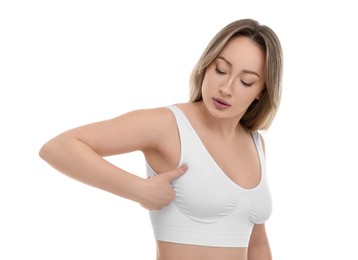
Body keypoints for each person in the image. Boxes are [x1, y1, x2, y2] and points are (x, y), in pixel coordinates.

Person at [39, 18, 283, 260]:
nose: (226, 88)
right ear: (206, 65)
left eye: (246, 81)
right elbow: (59, 147)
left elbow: (257, 244)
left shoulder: (255, 143)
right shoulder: (169, 125)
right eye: (220, 69)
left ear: (261, 90)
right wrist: (139, 190)